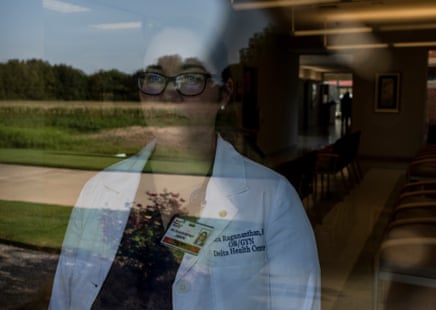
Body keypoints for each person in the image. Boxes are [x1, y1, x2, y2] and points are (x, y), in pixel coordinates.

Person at [49, 2, 320, 309]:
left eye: (190, 78)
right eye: (154, 78)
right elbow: (63, 299)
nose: (168, 95)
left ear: (225, 93)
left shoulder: (273, 202)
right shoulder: (99, 191)